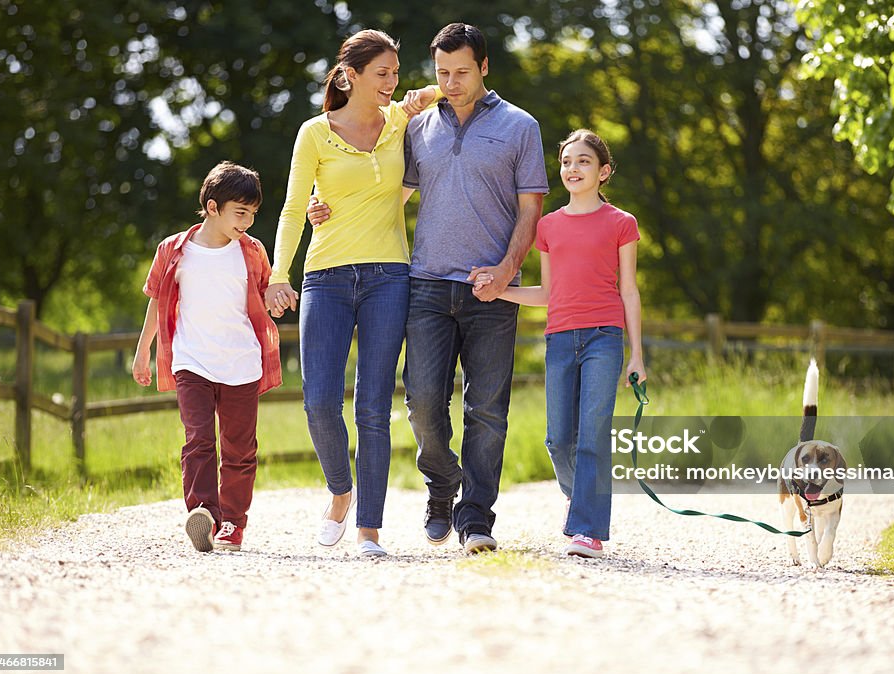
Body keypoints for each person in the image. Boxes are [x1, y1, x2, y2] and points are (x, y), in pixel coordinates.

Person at [308, 23, 547, 554]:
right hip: (426, 284)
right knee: (421, 403)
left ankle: (476, 519)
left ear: (484, 67)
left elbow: (531, 207)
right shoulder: (416, 128)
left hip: (493, 289)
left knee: (487, 410)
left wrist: (508, 270)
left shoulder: (520, 126)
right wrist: (320, 208)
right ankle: (442, 484)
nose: (452, 82)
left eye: (462, 71)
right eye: (442, 73)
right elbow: (384, 192)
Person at [265, 30, 437, 558]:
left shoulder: (401, 121)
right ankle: (340, 490)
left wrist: (422, 95)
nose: (392, 81)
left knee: (372, 406)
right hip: (326, 277)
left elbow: (450, 85)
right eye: (382, 73)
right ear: (350, 76)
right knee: (319, 401)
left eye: (396, 72)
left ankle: (369, 529)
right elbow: (295, 208)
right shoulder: (315, 133)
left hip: (390, 275)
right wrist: (278, 274)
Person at [472, 129, 646, 559]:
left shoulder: (621, 223)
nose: (573, 168)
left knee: (592, 435)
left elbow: (629, 291)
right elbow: (547, 294)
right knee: (558, 439)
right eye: (567, 161)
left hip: (605, 339)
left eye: (583, 161)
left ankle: (587, 530)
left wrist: (637, 355)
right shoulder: (548, 227)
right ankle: (580, 498)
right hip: (560, 339)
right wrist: (500, 289)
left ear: (603, 172)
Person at [132, 161, 281, 553]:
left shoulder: (251, 252)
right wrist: (142, 351)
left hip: (241, 362)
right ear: (213, 207)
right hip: (191, 361)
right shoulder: (174, 250)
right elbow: (156, 302)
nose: (247, 222)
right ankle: (203, 512)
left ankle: (232, 521)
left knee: (239, 448)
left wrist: (277, 297)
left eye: (252, 214)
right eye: (241, 213)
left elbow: (266, 293)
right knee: (198, 439)